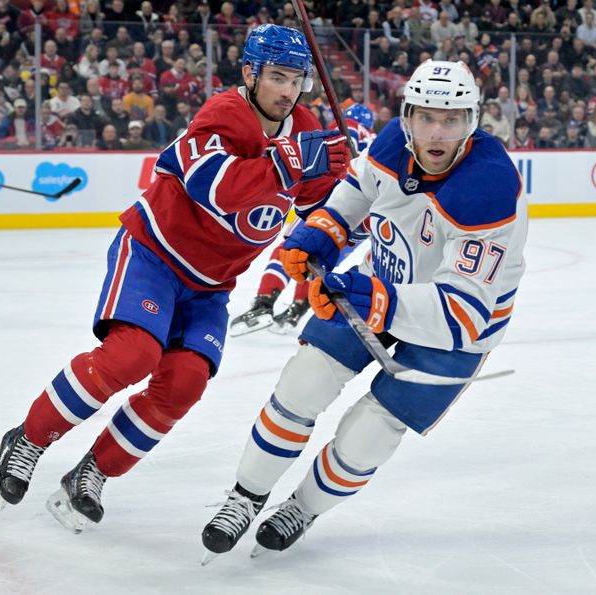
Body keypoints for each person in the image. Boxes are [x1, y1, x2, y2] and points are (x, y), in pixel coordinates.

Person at [0, 24, 348, 534]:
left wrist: (343, 188)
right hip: (155, 254)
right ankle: (27, 439)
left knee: (183, 383)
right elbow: (214, 187)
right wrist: (293, 162)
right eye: (276, 77)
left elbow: (315, 208)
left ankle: (92, 473)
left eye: (296, 79)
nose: (287, 91)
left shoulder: (308, 128)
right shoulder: (225, 113)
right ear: (250, 73)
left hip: (211, 284)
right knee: (131, 355)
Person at [201, 60, 527, 560]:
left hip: (452, 330)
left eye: (452, 119)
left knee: (371, 433)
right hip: (383, 281)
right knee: (302, 381)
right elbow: (354, 196)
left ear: (473, 121)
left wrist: (374, 299)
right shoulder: (393, 142)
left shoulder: (488, 189)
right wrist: (319, 236)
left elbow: (462, 314)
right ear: (407, 115)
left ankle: (302, 508)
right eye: (425, 118)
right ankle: (245, 497)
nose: (437, 133)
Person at [229, 103, 377, 336]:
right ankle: (296, 312)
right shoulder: (376, 141)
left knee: (290, 250)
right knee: (321, 262)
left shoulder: (344, 126)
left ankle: (263, 304)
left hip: (337, 202)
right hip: (364, 215)